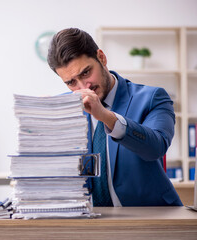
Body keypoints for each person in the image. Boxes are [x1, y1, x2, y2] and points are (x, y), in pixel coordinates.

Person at [47, 28, 182, 206]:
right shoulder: (63, 108)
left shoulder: (152, 98)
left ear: (101, 58)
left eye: (86, 73)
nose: (82, 87)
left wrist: (106, 117)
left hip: (151, 219)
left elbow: (156, 147)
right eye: (71, 82)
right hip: (89, 222)